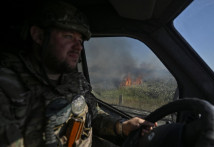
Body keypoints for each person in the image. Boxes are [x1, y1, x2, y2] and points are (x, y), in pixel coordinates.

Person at [0, 1, 156, 147]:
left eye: (80, 39)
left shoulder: (75, 81)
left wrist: (121, 127)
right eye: (68, 36)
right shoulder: (7, 87)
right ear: (39, 36)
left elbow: (93, 116)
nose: (78, 47)